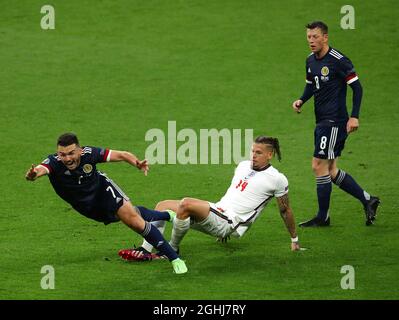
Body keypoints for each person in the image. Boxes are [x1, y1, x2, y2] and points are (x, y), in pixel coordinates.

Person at [25, 132, 187, 274]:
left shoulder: (90, 153)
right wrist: (34, 174)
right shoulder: (53, 162)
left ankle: (175, 258)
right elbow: (41, 169)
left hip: (104, 191)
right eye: (62, 154)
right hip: (87, 206)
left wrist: (137, 163)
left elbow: (122, 155)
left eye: (71, 153)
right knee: (128, 215)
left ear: (80, 150)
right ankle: (167, 215)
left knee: (134, 221)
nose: (67, 158)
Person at [119, 136, 301, 261]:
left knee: (186, 204)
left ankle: (171, 251)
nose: (253, 155)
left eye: (259, 152)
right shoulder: (243, 166)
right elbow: (237, 196)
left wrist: (294, 240)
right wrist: (217, 221)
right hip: (219, 213)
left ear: (270, 154)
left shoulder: (276, 178)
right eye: (252, 151)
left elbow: (285, 210)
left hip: (230, 222)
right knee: (162, 205)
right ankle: (145, 250)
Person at [292, 21, 380, 227]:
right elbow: (311, 85)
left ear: (325, 37)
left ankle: (323, 217)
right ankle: (368, 199)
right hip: (322, 120)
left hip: (334, 121)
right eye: (308, 37)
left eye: (315, 37)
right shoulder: (310, 61)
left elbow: (357, 88)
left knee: (318, 165)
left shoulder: (338, 60)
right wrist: (301, 100)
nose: (311, 41)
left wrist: (354, 116)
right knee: (330, 170)